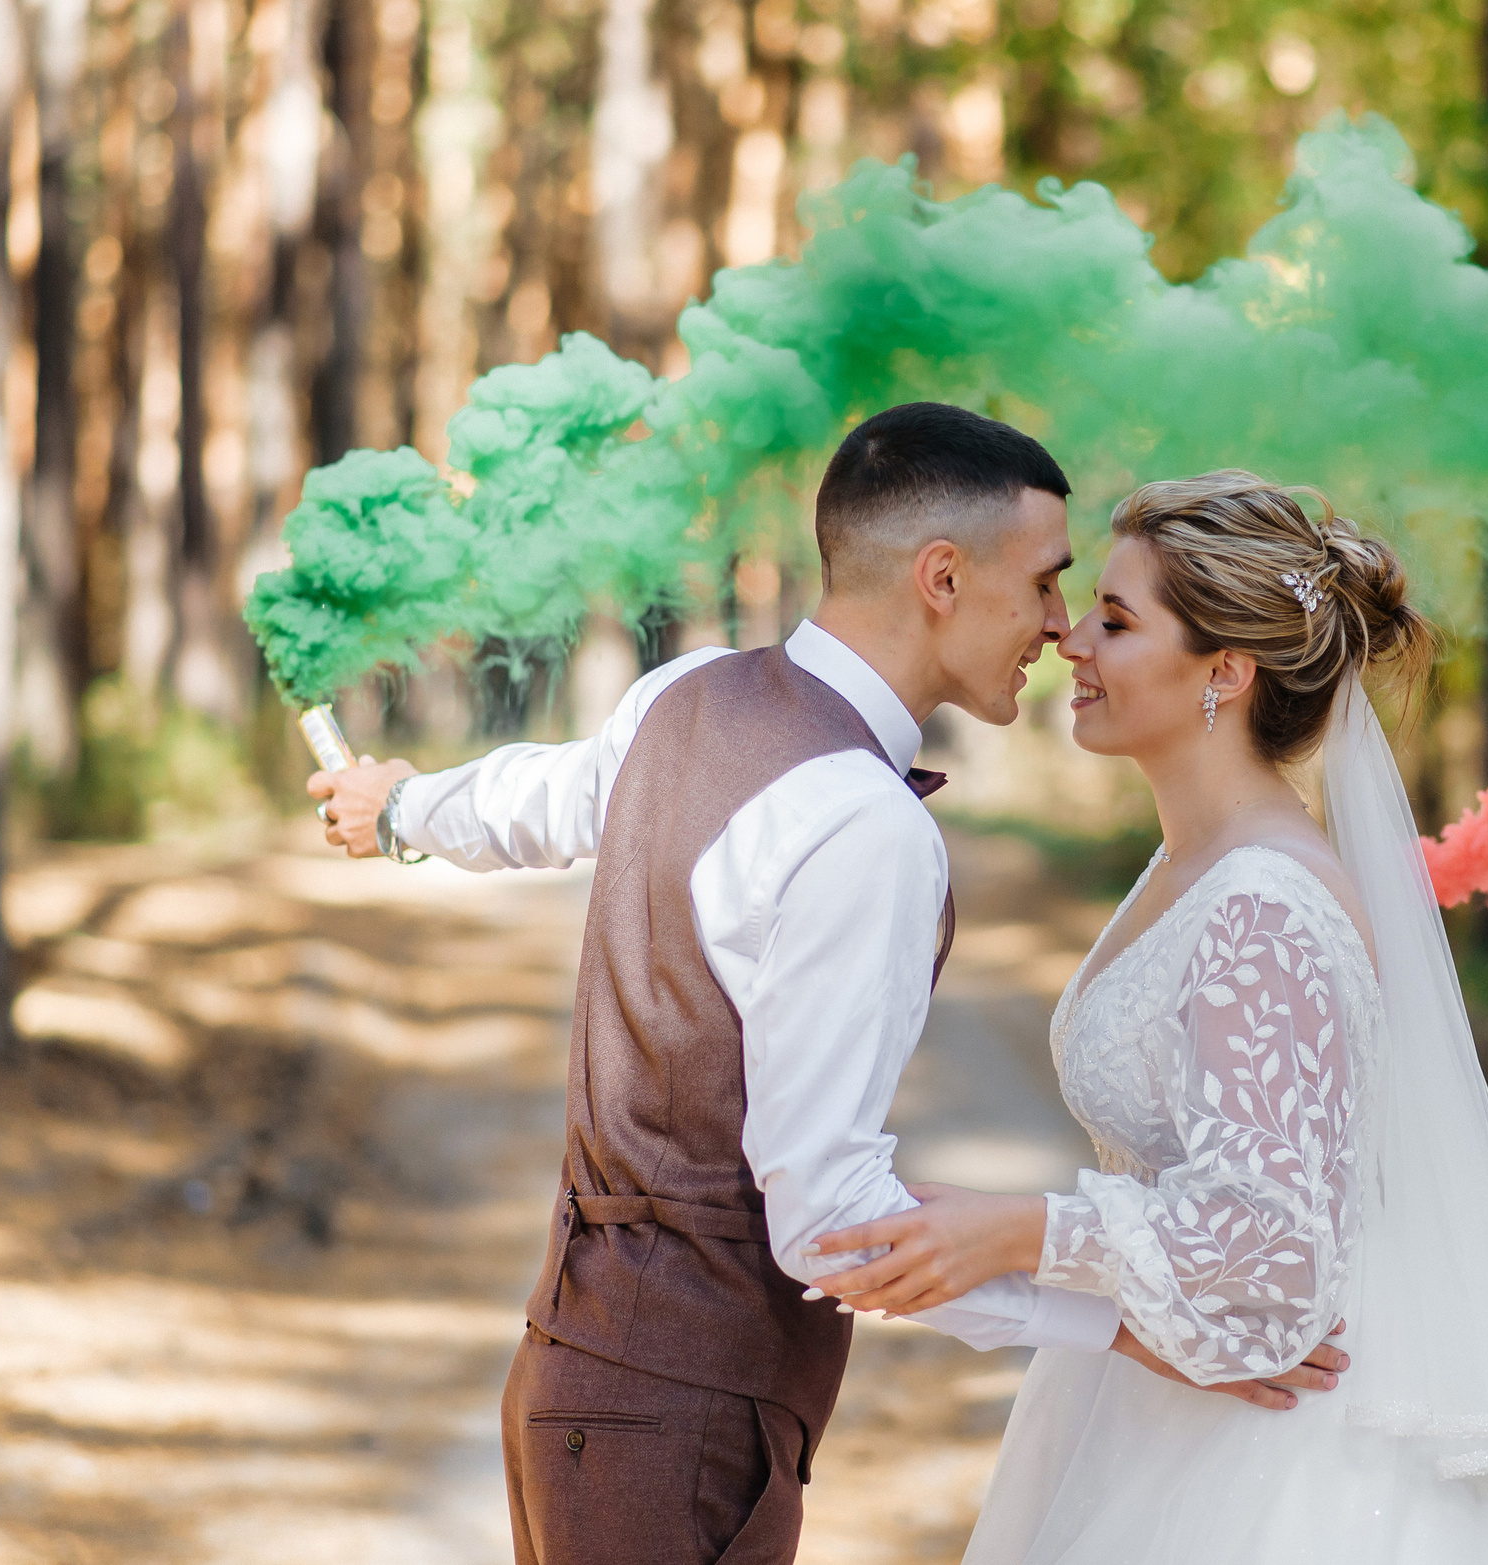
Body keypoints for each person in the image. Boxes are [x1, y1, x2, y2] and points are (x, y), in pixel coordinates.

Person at [304, 412, 1347, 1565]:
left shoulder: (691, 693)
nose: (1059, 629)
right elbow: (825, 1219)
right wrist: (1116, 1323)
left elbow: (541, 799)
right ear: (941, 576)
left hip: (565, 1377)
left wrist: (400, 807)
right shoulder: (865, 825)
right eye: (1052, 586)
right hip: (680, 1421)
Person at [805, 471, 1488, 1563]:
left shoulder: (1264, 905)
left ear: (1225, 671)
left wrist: (1019, 1229)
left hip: (1277, 1464)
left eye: (1117, 621)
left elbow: (1277, 1254)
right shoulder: (1192, 867)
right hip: (1152, 1394)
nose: (1070, 639)